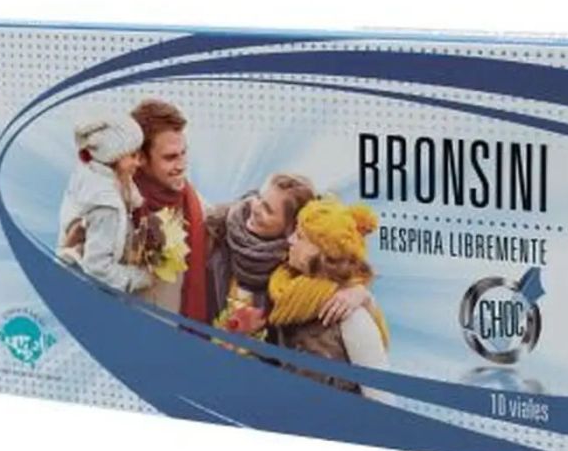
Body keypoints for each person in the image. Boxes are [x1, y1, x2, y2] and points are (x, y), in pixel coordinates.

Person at [205, 174, 372, 337]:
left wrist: (360, 294)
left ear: (290, 228)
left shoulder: (294, 263)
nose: (255, 208)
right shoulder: (218, 227)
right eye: (259, 198)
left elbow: (341, 272)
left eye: (268, 210)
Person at [267, 196, 389, 390]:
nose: (290, 240)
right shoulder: (284, 289)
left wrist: (365, 297)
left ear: (321, 253)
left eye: (300, 236)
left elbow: (380, 393)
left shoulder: (351, 315)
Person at [57, 117, 153, 293]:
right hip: (89, 292)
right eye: (133, 156)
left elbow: (129, 191)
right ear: (114, 156)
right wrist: (141, 278)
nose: (138, 162)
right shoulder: (107, 208)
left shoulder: (93, 171)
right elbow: (98, 270)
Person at [131, 99, 207, 321]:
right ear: (140, 157)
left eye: (183, 153)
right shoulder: (113, 209)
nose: (182, 165)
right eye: (170, 157)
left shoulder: (197, 208)